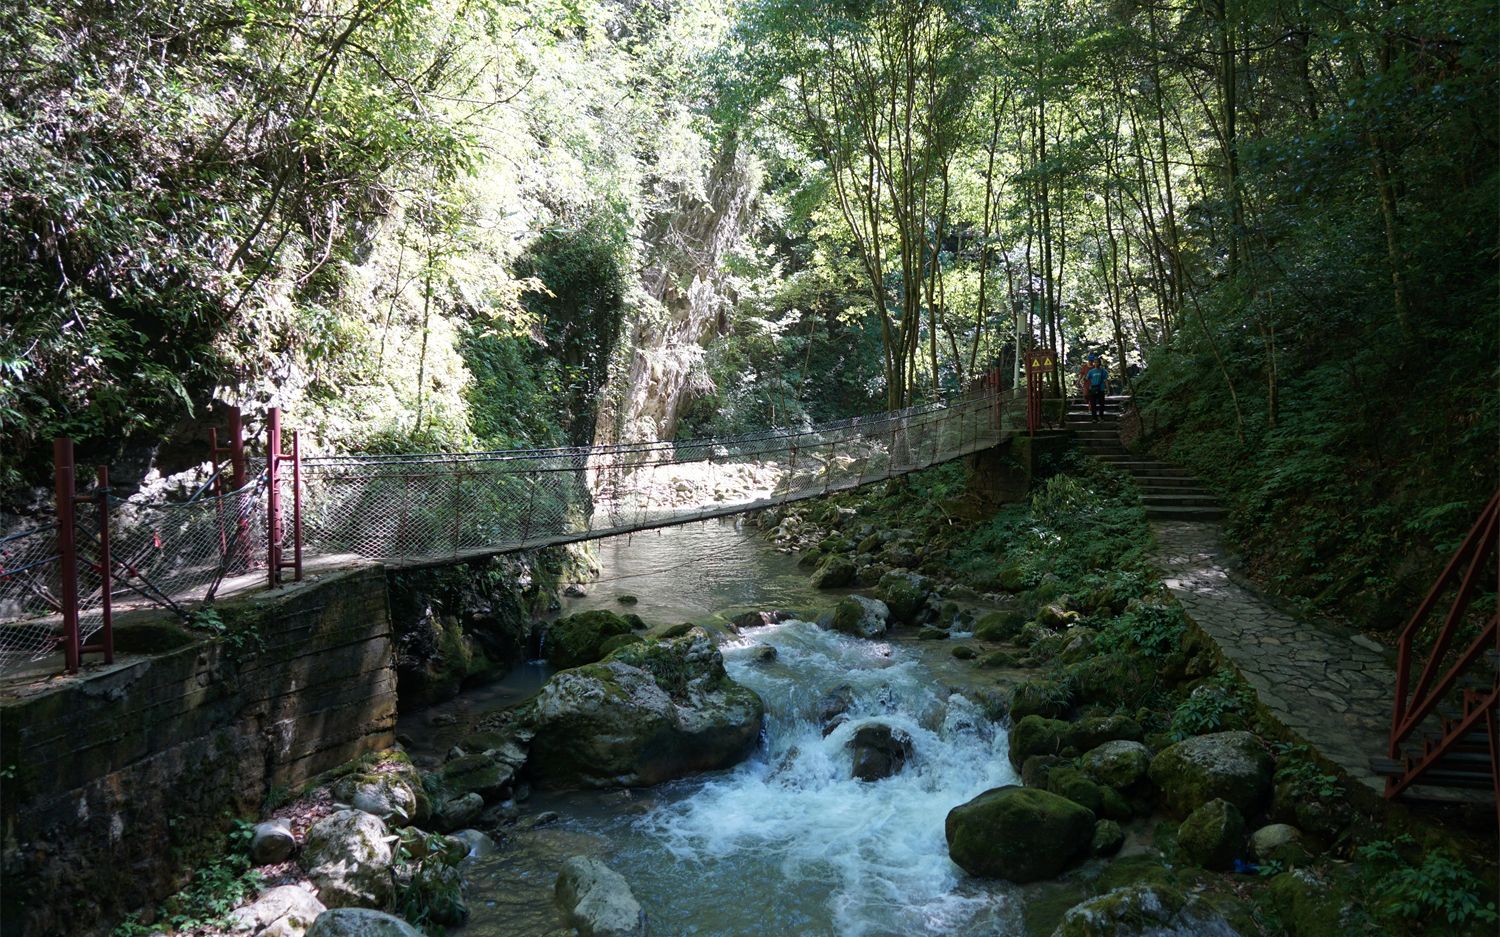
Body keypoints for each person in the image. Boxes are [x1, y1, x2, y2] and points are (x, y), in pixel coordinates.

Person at [1086, 357, 1109, 421]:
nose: (1096, 363)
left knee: (1102, 404)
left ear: (1100, 363)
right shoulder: (1091, 371)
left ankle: (1101, 417)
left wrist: (1107, 389)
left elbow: (1106, 380)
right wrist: (1084, 385)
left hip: (1101, 389)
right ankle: (1094, 418)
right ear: (1094, 363)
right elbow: (1086, 379)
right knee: (1093, 404)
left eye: (1097, 362)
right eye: (1095, 362)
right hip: (1093, 389)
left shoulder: (1103, 371)